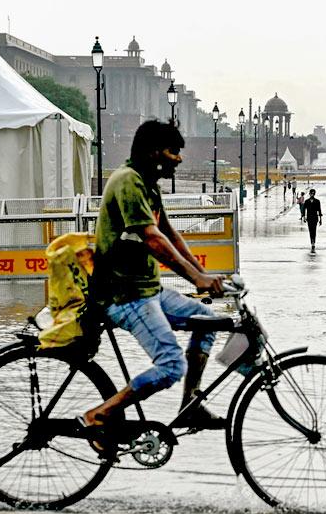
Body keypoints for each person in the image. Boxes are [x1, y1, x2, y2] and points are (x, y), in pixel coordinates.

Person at [80, 120, 227, 435]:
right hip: (124, 294)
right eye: (173, 151)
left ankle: (191, 405)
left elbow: (170, 235)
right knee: (172, 366)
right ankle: (101, 413)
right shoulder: (127, 182)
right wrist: (195, 279)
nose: (179, 158)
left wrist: (203, 275)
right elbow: (152, 239)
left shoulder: (147, 184)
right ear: (153, 152)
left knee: (208, 319)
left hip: (147, 290)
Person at [303, 188, 323, 253]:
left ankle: (313, 242)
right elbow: (304, 210)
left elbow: (319, 210)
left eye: (313, 193)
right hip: (309, 218)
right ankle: (311, 241)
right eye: (311, 193)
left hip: (315, 218)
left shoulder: (317, 201)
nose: (312, 194)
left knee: (314, 230)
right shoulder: (306, 201)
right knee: (310, 231)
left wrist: (320, 220)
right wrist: (304, 217)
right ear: (309, 194)